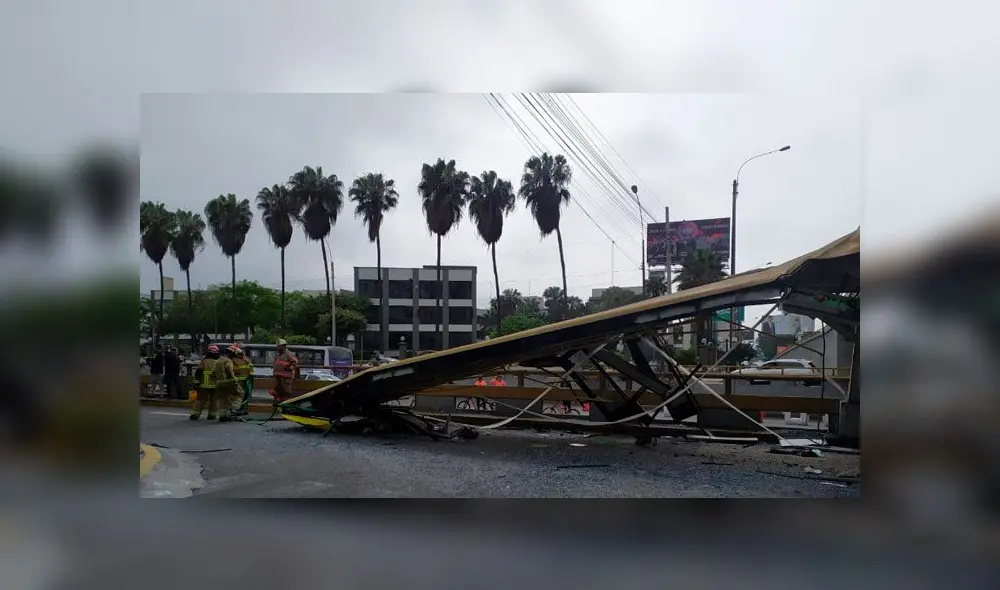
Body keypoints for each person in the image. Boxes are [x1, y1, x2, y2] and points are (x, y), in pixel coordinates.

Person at [190, 344, 220, 420]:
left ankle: (195, 414)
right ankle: (212, 415)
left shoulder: (204, 361)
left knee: (200, 400)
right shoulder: (220, 362)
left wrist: (196, 383)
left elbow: (198, 372)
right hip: (216, 385)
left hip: (204, 385)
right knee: (214, 400)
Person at [213, 345, 240, 422]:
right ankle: (234, 410)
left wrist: (216, 381)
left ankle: (223, 416)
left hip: (219, 383)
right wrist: (234, 379)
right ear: (232, 353)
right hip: (228, 382)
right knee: (240, 393)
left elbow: (213, 372)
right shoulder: (228, 360)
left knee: (223, 399)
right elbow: (229, 370)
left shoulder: (218, 360)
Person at [271, 338, 298, 404]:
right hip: (279, 376)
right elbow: (276, 363)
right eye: (277, 346)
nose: (278, 348)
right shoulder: (278, 354)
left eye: (279, 346)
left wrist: (289, 368)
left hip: (286, 376)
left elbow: (295, 362)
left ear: (284, 346)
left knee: (287, 390)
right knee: (278, 390)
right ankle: (279, 401)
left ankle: (288, 402)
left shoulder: (288, 353)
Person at [231, 345, 254, 416]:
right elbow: (251, 369)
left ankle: (237, 409)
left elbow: (232, 370)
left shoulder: (233, 360)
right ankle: (244, 410)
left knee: (238, 395)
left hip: (238, 380)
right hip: (247, 380)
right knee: (245, 395)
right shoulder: (246, 359)